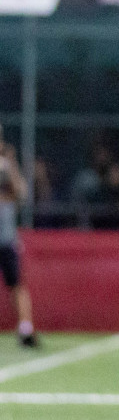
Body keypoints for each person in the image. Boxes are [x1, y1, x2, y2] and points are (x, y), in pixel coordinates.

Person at [0, 136, 35, 347]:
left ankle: (26, 329)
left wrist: (11, 164)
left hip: (5, 239)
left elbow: (21, 193)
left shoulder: (6, 167)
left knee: (16, 285)